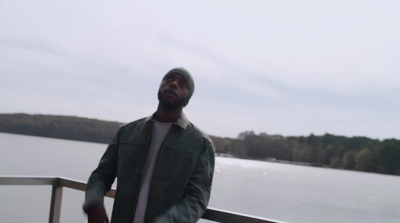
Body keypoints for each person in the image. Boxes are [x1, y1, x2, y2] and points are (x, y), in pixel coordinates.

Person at [83, 67, 215, 223]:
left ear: (187, 100)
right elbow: (101, 175)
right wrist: (94, 203)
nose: (173, 84)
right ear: (159, 87)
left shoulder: (200, 144)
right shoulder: (127, 132)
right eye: (169, 79)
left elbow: (197, 198)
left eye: (183, 84)